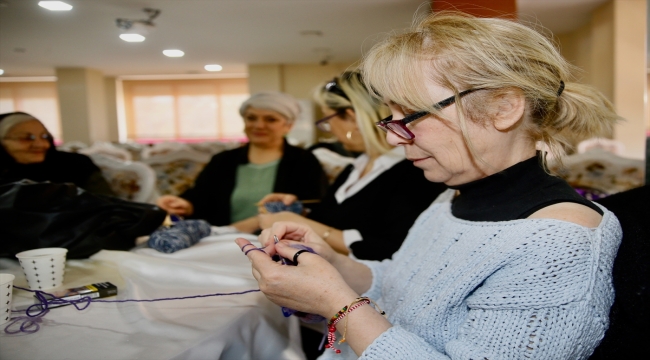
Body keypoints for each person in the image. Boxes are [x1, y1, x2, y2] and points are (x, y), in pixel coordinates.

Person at [236, 12, 623, 359]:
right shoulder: (451, 195)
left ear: (504, 107)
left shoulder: (558, 243)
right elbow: (402, 284)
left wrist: (337, 304)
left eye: (411, 113)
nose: (392, 138)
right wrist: (333, 263)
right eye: (391, 116)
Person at [258, 72, 447, 261]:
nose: (329, 128)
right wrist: (296, 211)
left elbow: (390, 248)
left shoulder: (415, 173)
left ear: (351, 118)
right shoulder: (355, 167)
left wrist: (301, 224)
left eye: (327, 120)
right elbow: (338, 217)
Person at [156, 92, 327, 231]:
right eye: (251, 118)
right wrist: (184, 204)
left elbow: (310, 207)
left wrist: (252, 224)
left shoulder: (303, 161)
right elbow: (201, 196)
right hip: (221, 242)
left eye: (270, 119)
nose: (258, 125)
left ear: (288, 126)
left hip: (278, 245)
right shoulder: (223, 160)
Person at [0, 112, 114, 196]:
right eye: (26, 138)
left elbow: (106, 205)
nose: (41, 144)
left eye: (45, 136)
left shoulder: (76, 165)